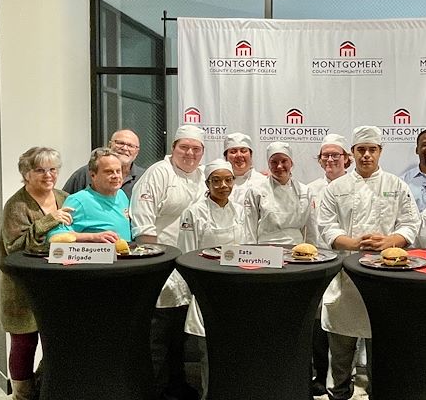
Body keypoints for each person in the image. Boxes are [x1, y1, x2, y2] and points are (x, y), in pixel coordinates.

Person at [318, 125, 420, 400]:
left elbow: (411, 224)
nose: (366, 155)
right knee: (340, 352)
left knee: (382, 352)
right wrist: (353, 244)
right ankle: (338, 393)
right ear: (352, 153)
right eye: (360, 150)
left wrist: (391, 242)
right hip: (345, 280)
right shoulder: (336, 188)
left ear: (380, 152)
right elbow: (326, 226)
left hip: (385, 278)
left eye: (371, 150)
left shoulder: (396, 186)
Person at [130, 124, 207, 400]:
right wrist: (159, 264)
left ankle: (177, 385)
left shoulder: (202, 177)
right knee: (158, 337)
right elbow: (143, 224)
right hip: (162, 267)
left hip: (189, 268)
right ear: (173, 148)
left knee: (179, 335)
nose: (189, 153)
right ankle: (156, 390)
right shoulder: (157, 174)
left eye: (196, 149)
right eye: (184, 147)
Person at [0, 147, 72, 400]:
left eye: (53, 169)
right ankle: (22, 395)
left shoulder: (65, 197)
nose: (48, 175)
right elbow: (15, 248)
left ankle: (44, 387)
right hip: (23, 289)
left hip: (58, 286)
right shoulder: (16, 205)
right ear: (26, 173)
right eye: (40, 170)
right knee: (24, 344)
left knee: (57, 342)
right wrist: (48, 220)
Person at [177, 159, 246, 400]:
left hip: (236, 289)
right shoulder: (193, 212)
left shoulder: (239, 210)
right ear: (207, 183)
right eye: (216, 181)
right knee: (209, 352)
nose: (223, 185)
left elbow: (246, 248)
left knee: (234, 351)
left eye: (228, 180)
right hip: (207, 289)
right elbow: (186, 254)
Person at [306, 133, 352, 397]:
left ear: (347, 159)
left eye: (337, 155)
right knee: (318, 325)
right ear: (319, 160)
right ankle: (320, 375)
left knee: (345, 325)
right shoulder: (310, 189)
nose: (331, 159)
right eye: (326, 155)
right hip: (318, 262)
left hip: (347, 263)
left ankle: (346, 377)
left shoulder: (356, 186)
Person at [47, 148, 131, 242]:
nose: (116, 176)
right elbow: (55, 236)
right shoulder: (78, 201)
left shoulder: (121, 195)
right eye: (109, 172)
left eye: (118, 171)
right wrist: (93, 237)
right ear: (93, 175)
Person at [242, 141, 316, 245]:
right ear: (268, 164)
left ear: (291, 163)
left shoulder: (304, 191)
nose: (279, 166)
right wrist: (251, 254)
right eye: (274, 162)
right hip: (265, 250)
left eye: (284, 161)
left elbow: (311, 228)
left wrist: (313, 251)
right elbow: (250, 229)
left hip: (296, 250)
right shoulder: (256, 191)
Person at [63, 129, 146, 199]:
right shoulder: (85, 173)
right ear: (110, 145)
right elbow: (63, 201)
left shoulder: (145, 177)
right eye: (120, 143)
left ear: (137, 152)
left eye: (130, 146)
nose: (124, 148)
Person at [223, 132, 268, 205]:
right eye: (233, 152)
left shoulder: (263, 182)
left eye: (243, 151)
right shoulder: (219, 184)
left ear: (251, 155)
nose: (239, 155)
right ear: (226, 157)